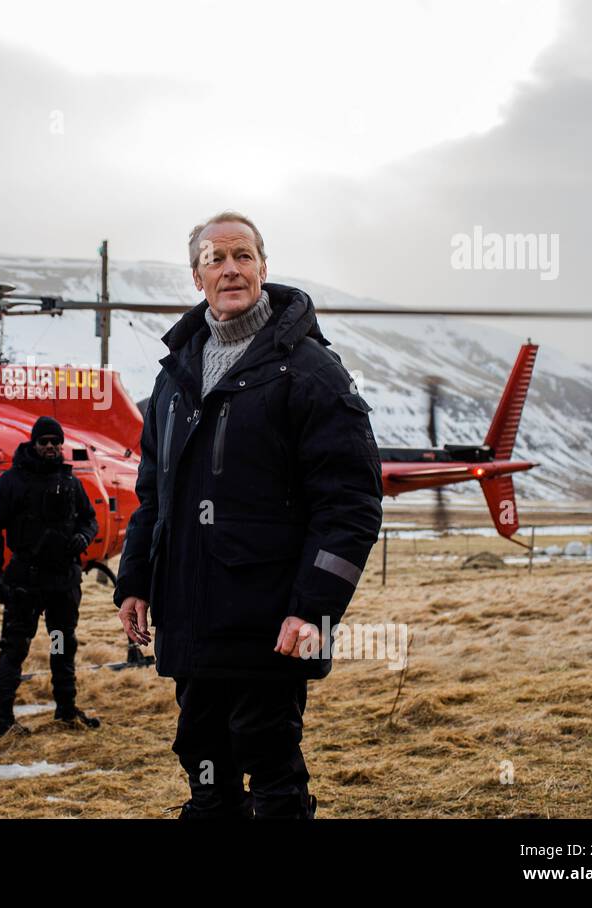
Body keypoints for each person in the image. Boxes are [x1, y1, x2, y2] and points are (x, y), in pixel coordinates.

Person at [115, 211, 383, 818]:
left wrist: (313, 608)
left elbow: (351, 505)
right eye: (216, 258)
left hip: (270, 624)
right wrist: (134, 582)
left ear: (263, 267)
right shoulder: (175, 377)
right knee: (205, 772)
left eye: (243, 255)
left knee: (271, 772)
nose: (230, 268)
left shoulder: (310, 372)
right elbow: (153, 492)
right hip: (190, 616)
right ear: (196, 277)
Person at [0, 416, 101, 737]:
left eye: (54, 442)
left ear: (61, 445)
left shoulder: (70, 482)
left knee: (61, 644)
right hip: (25, 582)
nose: (50, 446)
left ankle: (65, 710)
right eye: (44, 441)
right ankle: (2, 721)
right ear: (34, 444)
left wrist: (83, 538)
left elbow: (90, 519)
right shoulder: (12, 482)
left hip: (61, 582)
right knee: (15, 648)